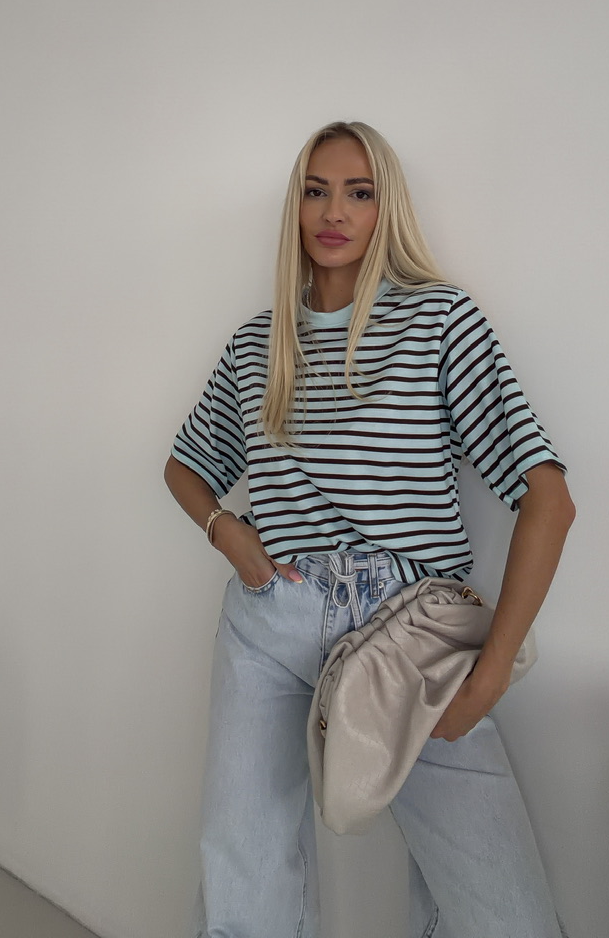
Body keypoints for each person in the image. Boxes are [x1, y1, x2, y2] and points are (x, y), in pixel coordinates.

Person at [164, 120, 575, 938]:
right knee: (244, 873)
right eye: (316, 191)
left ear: (387, 209)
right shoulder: (258, 345)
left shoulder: (438, 323)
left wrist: (491, 674)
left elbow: (548, 498)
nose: (334, 212)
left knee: (502, 909)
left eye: (360, 192)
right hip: (269, 620)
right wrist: (226, 530)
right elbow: (184, 466)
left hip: (409, 632)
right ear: (295, 206)